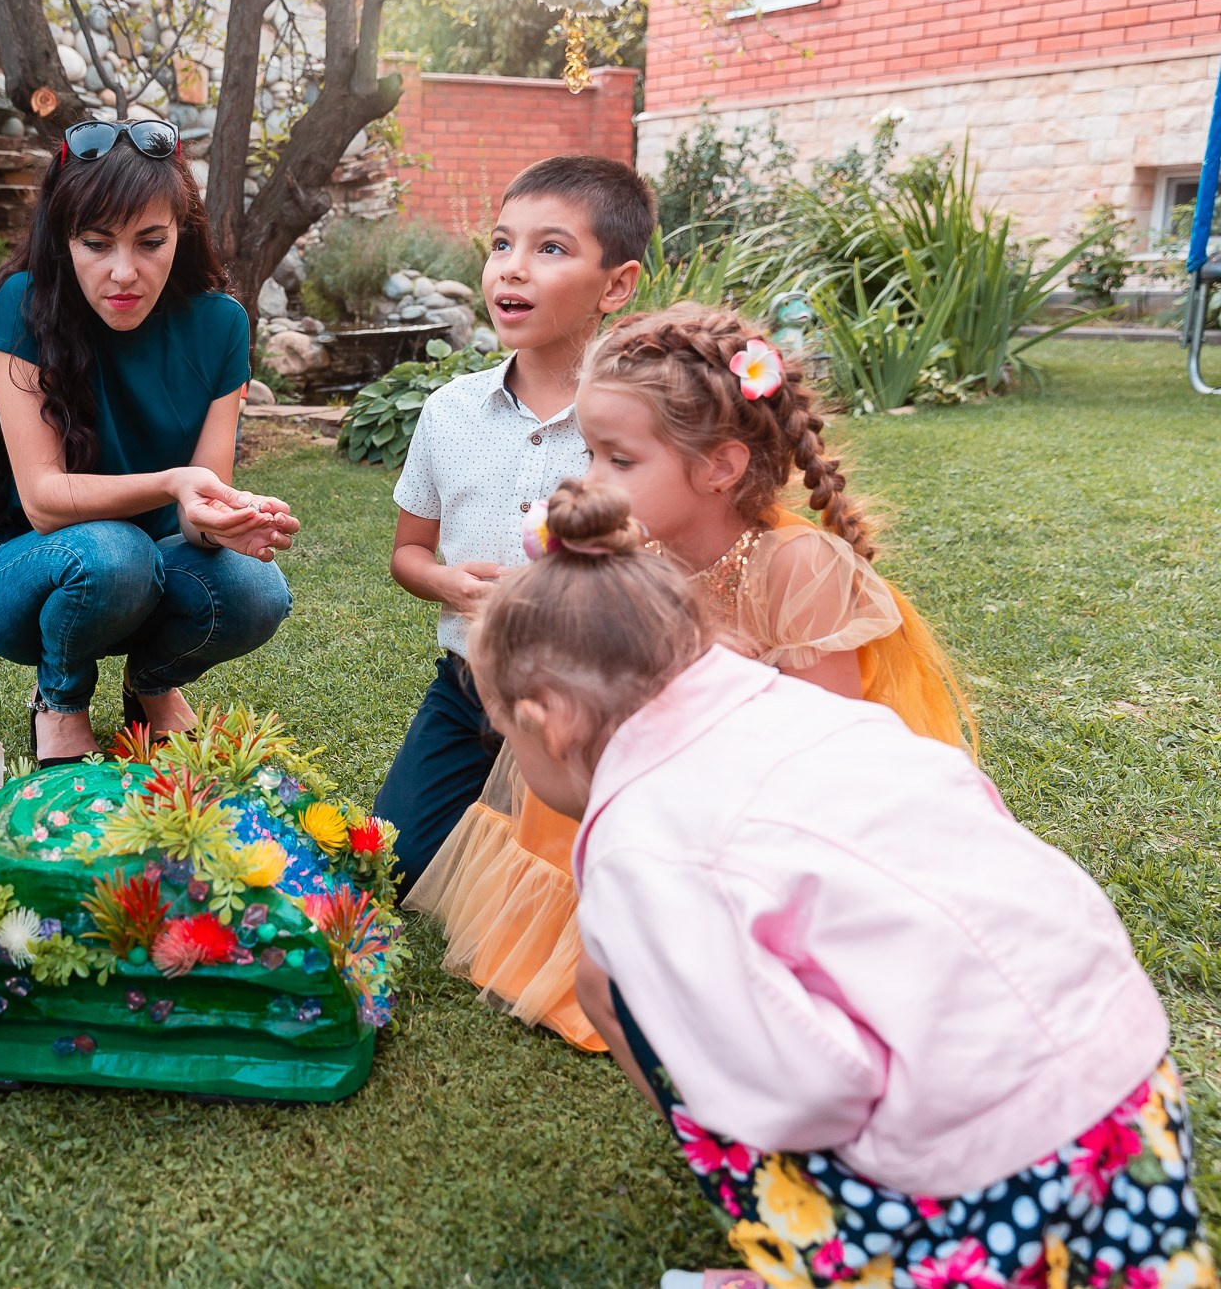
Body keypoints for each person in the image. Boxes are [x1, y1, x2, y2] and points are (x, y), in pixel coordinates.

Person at [474, 481, 1213, 1289]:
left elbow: (806, 1088)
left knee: (626, 995)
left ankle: (850, 1253)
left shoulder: (643, 848)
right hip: (1128, 1075)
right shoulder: (803, 711)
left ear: (548, 720)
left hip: (1000, 1161)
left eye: (503, 729)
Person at [407, 304, 971, 1050]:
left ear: (721, 467)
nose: (590, 478)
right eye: (591, 453)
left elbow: (830, 746)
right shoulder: (643, 553)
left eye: (619, 459)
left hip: (772, 803)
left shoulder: (798, 566)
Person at [0, 118, 297, 765]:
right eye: (96, 243)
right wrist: (173, 484)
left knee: (259, 588)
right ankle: (59, 700)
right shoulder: (27, 304)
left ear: (182, 232)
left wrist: (223, 518)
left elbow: (198, 514)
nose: (123, 272)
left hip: (153, 568)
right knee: (117, 551)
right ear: (64, 240)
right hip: (22, 575)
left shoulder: (220, 324)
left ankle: (151, 681)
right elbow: (45, 501)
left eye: (150, 242)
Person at [374, 156, 650, 885]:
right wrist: (448, 582)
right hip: (467, 685)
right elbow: (409, 553)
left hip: (588, 705)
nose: (512, 270)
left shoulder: (633, 429)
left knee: (562, 881)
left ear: (617, 284)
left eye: (550, 248)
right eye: (502, 244)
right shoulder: (450, 412)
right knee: (396, 867)